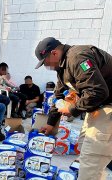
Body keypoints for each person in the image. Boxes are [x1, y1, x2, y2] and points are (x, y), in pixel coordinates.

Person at [35, 37, 112, 180]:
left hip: (108, 108)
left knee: (91, 159)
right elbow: (58, 97)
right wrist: (51, 124)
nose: (46, 66)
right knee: (85, 149)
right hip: (97, 108)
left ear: (54, 53)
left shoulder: (77, 57)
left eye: (45, 62)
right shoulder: (63, 67)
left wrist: (72, 110)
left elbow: (98, 92)